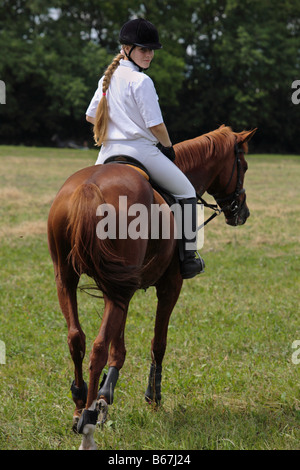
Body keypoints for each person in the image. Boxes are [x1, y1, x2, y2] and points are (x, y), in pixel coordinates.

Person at [86, 18, 204, 279]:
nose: (149, 55)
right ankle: (189, 258)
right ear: (126, 48)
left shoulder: (108, 78)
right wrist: (168, 148)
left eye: (151, 50)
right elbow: (156, 125)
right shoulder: (141, 81)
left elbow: (91, 117)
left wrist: (116, 124)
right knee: (186, 192)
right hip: (141, 151)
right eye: (143, 49)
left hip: (107, 153)